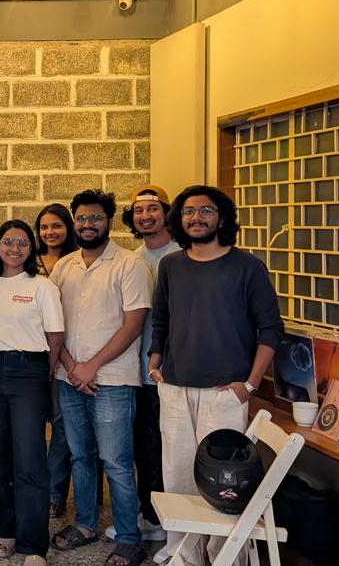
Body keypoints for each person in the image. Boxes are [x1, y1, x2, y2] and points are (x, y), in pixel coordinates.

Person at [148, 185, 283, 566]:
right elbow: (161, 320)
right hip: (174, 387)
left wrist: (250, 385)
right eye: (189, 211)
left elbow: (271, 329)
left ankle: (224, 558)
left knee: (223, 484)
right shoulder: (170, 265)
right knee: (177, 477)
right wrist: (155, 362)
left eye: (206, 210)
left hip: (226, 392)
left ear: (221, 218)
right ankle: (183, 556)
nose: (197, 217)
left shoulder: (247, 266)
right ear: (179, 219)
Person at [49, 190, 151, 566]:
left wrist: (91, 367)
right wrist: (72, 366)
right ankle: (86, 524)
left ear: (108, 221)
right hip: (69, 377)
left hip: (113, 380)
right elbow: (51, 323)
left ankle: (128, 537)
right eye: (82, 218)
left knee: (116, 461)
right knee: (80, 456)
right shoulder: (65, 266)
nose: (88, 224)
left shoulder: (129, 264)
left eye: (95, 218)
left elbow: (133, 324)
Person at [0, 219, 64, 564]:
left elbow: (55, 336)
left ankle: (32, 545)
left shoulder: (42, 287)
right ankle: (5, 530)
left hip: (30, 371)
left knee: (29, 459)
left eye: (23, 242)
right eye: (8, 241)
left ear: (31, 248)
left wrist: (44, 372)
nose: (15, 248)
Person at [113, 186, 180, 548]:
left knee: (166, 450)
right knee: (142, 447)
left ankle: (164, 519)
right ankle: (147, 513)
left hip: (170, 373)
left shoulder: (182, 256)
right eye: (139, 211)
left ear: (167, 213)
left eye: (153, 209)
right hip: (134, 370)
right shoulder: (132, 259)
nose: (145, 216)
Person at [34, 203, 78, 519]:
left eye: (57, 226)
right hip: (33, 355)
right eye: (44, 227)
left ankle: (54, 493)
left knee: (62, 427)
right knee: (32, 426)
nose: (50, 232)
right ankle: (32, 489)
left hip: (67, 355)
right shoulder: (28, 261)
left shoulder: (78, 261)